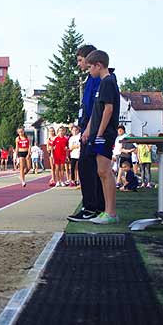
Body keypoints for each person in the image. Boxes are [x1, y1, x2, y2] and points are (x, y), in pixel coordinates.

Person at [82, 50, 121, 225]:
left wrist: (98, 133)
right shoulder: (104, 82)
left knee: (105, 172)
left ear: (99, 65)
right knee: (101, 171)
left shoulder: (107, 82)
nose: (89, 70)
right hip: (100, 133)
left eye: (90, 67)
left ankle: (110, 213)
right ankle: (108, 211)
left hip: (104, 134)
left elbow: (108, 110)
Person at [68, 45, 105, 221]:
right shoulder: (90, 79)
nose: (79, 64)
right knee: (88, 169)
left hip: (93, 132)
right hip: (87, 129)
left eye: (81, 61)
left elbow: (98, 108)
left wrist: (89, 129)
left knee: (88, 169)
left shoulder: (99, 79)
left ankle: (92, 208)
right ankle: (94, 206)